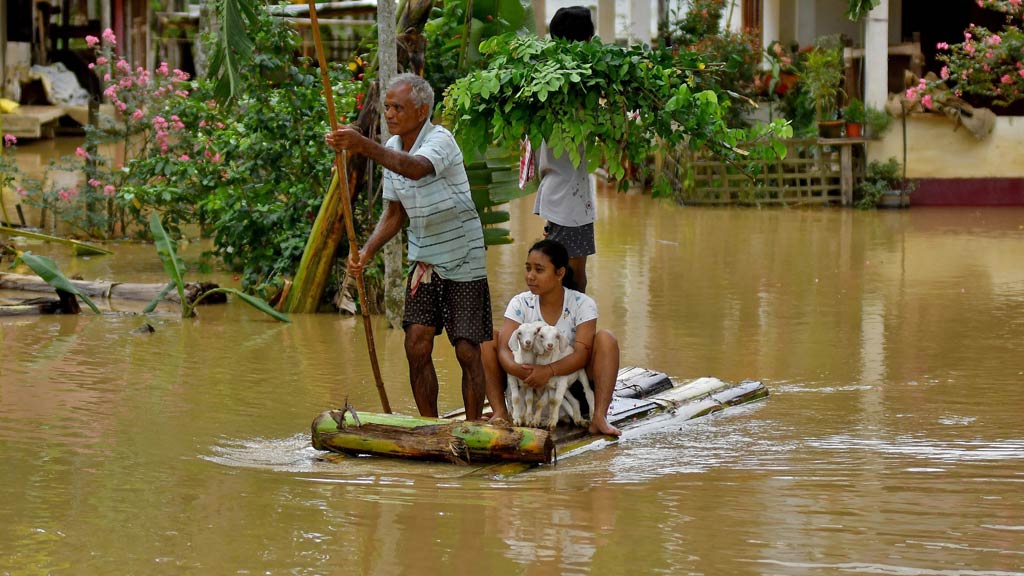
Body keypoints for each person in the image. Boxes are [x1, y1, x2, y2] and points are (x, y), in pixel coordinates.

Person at [325, 73, 492, 420]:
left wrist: (362, 145)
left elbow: (416, 169)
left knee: (466, 348)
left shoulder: (440, 140)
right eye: (386, 107)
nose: (389, 113)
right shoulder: (394, 150)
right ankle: (430, 426)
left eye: (397, 107)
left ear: (422, 111)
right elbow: (395, 213)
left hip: (463, 255)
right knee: (416, 343)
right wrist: (367, 252)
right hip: (425, 258)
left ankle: (474, 426)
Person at [482, 239, 622, 436]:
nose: (530, 276)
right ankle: (500, 412)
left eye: (539, 270)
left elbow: (582, 353)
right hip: (526, 387)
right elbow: (505, 348)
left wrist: (548, 371)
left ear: (560, 273)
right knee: (487, 338)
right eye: (528, 268)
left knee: (607, 339)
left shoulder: (582, 304)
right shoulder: (520, 303)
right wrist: (523, 373)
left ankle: (598, 416)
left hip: (569, 388)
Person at [533, 6, 598, 293]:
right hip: (567, 196)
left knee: (566, 272)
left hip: (561, 192)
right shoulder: (576, 84)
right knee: (572, 275)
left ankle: (569, 331)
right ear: (585, 41)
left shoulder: (546, 80)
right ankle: (573, 332)